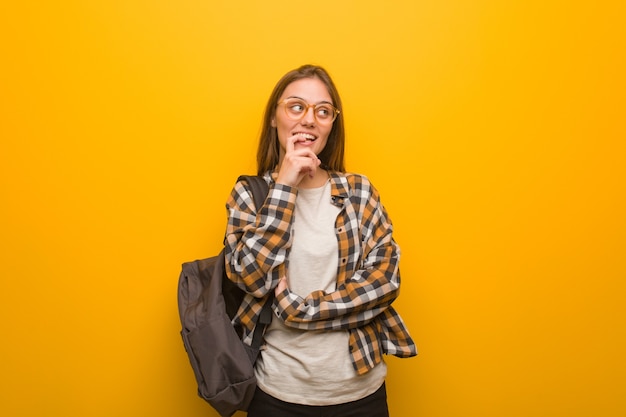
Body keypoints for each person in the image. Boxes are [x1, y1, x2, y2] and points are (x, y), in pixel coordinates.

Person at [223, 64, 417, 417]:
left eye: (323, 111)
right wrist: (284, 187)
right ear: (274, 117)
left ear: (331, 125)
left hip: (361, 392)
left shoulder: (358, 192)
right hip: (277, 395)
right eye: (296, 107)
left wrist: (303, 312)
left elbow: (386, 280)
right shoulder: (250, 195)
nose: (309, 119)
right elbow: (251, 278)